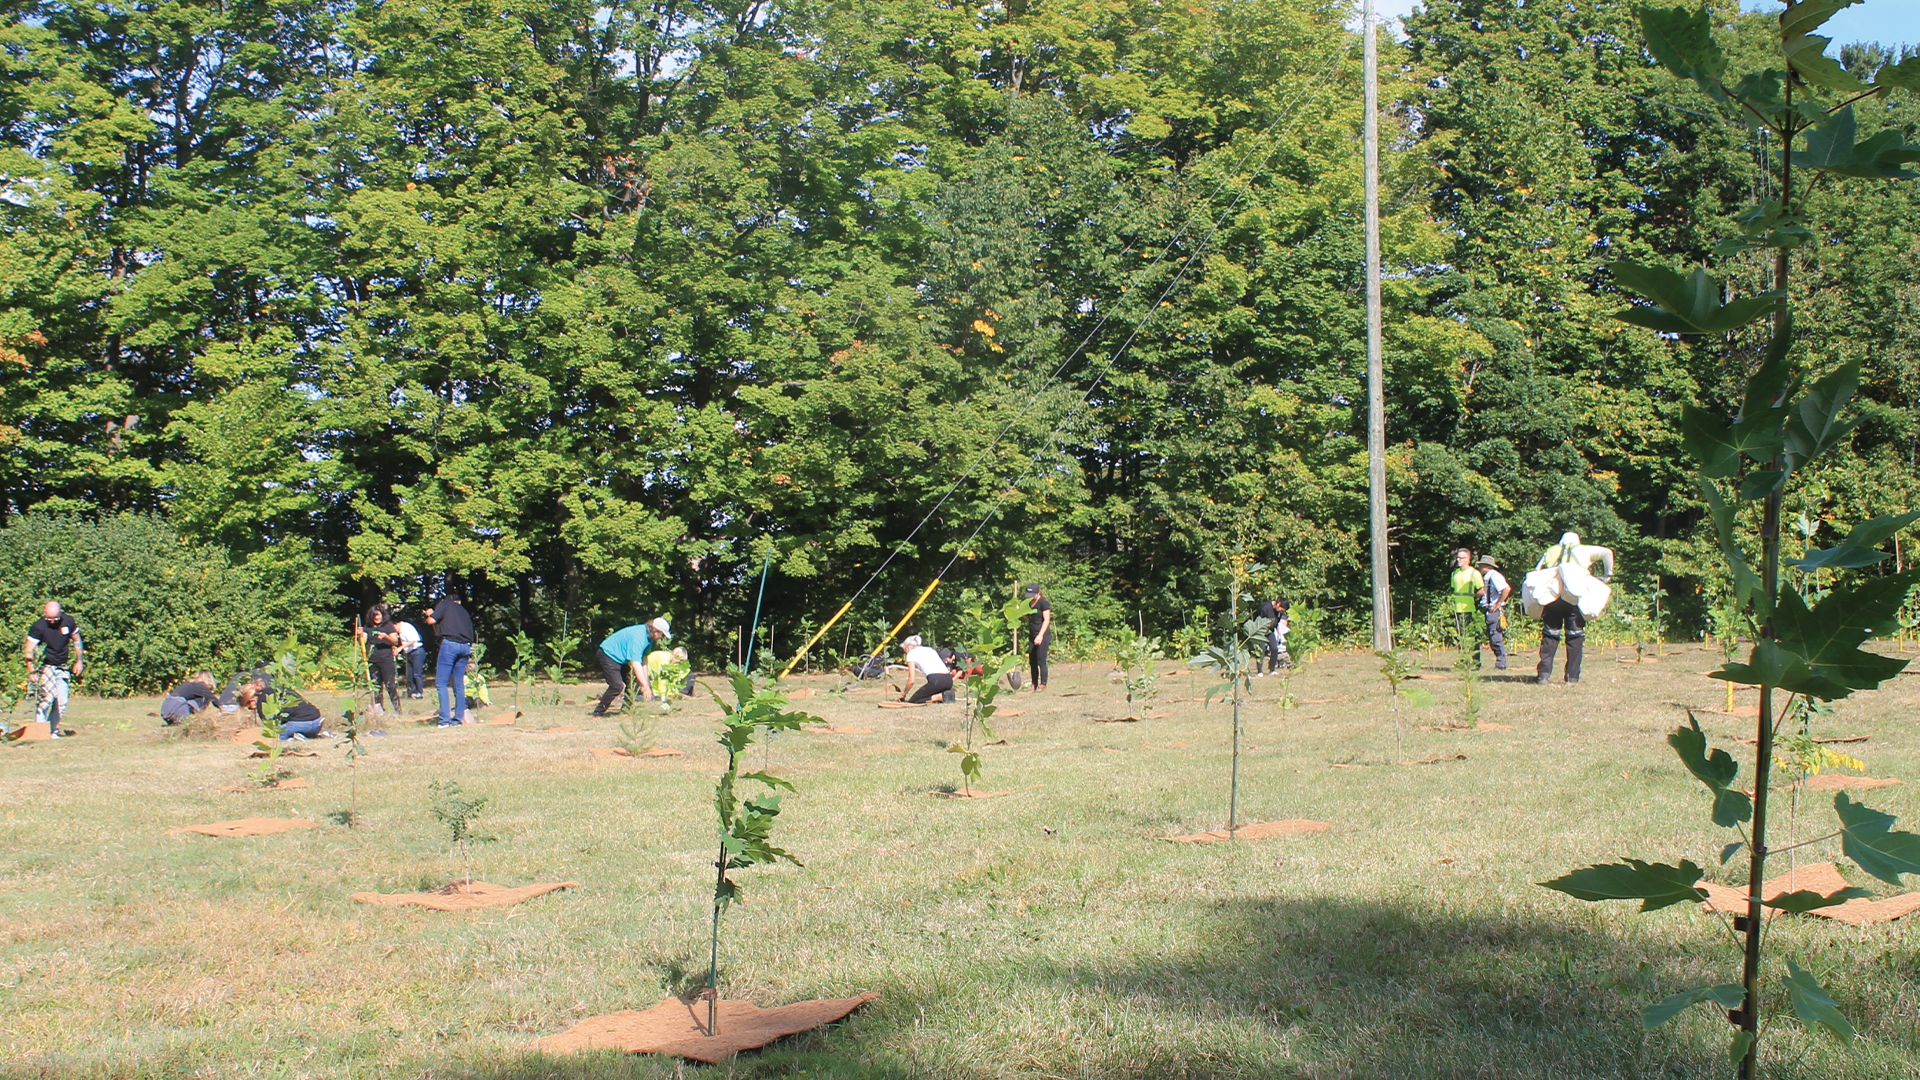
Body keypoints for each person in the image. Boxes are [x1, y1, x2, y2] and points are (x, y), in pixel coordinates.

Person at [1533, 531, 1616, 685]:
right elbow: (1607, 553)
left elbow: (1537, 571)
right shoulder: (1584, 550)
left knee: (1550, 635)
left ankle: (1543, 675)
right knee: (1575, 636)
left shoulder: (1551, 551)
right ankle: (1572, 677)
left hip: (1553, 597)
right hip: (1575, 597)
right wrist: (1607, 575)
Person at [24, 601, 83, 736]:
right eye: (49, 619)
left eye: (55, 619)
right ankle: (40, 731)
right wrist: (31, 670)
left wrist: (79, 661)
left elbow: (77, 640)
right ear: (44, 612)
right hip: (46, 667)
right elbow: (29, 650)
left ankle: (52, 730)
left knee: (62, 701)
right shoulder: (39, 627)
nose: (52, 622)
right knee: (46, 699)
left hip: (62, 667)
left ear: (60, 613)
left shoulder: (69, 621)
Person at [593, 617, 670, 716]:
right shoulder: (638, 637)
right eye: (662, 635)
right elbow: (635, 664)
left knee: (634, 683)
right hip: (608, 655)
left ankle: (625, 711)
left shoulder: (649, 639)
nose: (662, 638)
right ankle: (598, 713)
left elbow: (644, 661)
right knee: (617, 686)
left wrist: (646, 683)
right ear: (655, 631)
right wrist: (645, 686)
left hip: (622, 659)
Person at [424, 590, 475, 727]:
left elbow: (431, 621)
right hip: (465, 646)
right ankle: (458, 718)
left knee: (441, 682)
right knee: (458, 683)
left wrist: (429, 614)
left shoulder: (446, 604)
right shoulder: (464, 612)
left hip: (450, 645)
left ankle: (445, 719)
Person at [235, 678, 328, 740]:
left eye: (248, 706)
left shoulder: (262, 703)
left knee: (278, 734)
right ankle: (316, 735)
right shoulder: (276, 689)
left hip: (302, 723)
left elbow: (271, 726)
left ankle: (293, 739)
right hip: (317, 721)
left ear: (251, 700)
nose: (251, 709)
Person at [361, 605, 402, 715]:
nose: (377, 617)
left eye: (378, 615)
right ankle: (379, 712)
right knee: (376, 687)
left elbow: (395, 641)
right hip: (372, 661)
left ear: (382, 615)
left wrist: (385, 636)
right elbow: (363, 641)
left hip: (386, 660)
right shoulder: (368, 627)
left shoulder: (389, 626)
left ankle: (398, 710)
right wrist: (360, 634)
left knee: (390, 685)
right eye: (374, 615)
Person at [1476, 555, 1512, 670]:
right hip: (1489, 610)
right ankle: (1500, 662)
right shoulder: (1488, 577)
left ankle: (1501, 663)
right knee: (1493, 636)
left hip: (1493, 610)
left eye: (1481, 566)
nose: (1479, 568)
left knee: (1495, 636)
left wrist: (1497, 604)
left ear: (1486, 566)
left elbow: (1506, 589)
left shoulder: (1494, 576)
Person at [898, 635, 952, 704]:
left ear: (908, 647)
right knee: (927, 694)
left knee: (914, 701)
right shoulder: (930, 649)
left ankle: (939, 697)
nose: (905, 652)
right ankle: (946, 694)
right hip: (948, 679)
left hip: (936, 680)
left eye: (904, 649)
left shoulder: (911, 654)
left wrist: (904, 694)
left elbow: (911, 680)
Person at [1449, 548, 1484, 645]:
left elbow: (1482, 590)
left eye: (1461, 558)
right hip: (1457, 609)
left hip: (1470, 608)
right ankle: (1463, 654)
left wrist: (1475, 597)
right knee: (1460, 635)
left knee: (1471, 634)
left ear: (1468, 559)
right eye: (1458, 557)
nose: (1458, 559)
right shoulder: (1454, 574)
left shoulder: (1474, 573)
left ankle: (1475, 654)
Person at [1024, 583, 1052, 692]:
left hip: (1043, 635)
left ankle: (1043, 684)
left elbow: (1047, 620)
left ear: (1038, 592)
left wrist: (1040, 635)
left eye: (1032, 595)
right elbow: (1028, 616)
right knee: (1033, 661)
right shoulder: (1029, 603)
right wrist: (1019, 611)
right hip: (1032, 635)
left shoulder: (1043, 603)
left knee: (1041, 660)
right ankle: (1034, 684)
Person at [394, 616, 427, 698]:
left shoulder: (406, 628)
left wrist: (399, 648)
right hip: (410, 653)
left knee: (417, 674)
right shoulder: (401, 631)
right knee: (409, 675)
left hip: (417, 651)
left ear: (397, 624)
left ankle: (419, 693)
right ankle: (412, 692)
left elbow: (412, 641)